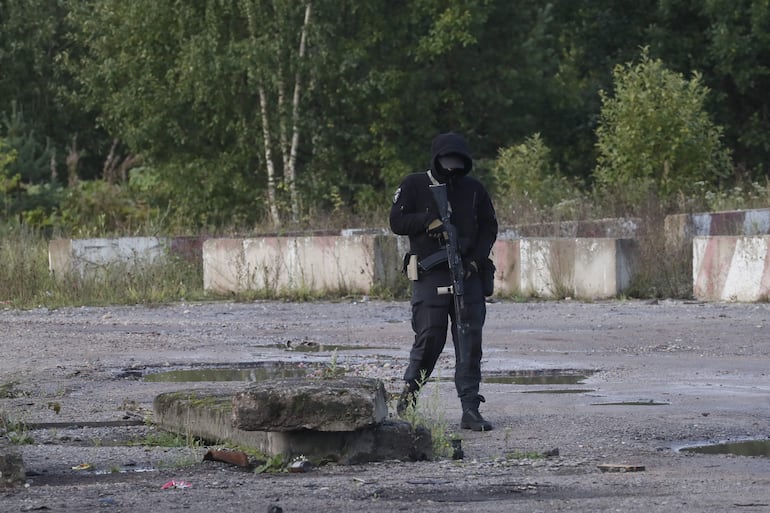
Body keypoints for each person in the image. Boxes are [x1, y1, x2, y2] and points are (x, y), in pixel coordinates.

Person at [389, 132, 498, 431]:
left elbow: (489, 226)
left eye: (458, 163)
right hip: (430, 273)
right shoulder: (414, 184)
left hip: (468, 273)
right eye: (447, 162)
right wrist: (428, 221)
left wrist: (476, 260)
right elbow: (397, 221)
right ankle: (408, 399)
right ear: (437, 160)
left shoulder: (474, 189)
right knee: (429, 338)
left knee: (469, 341)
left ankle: (470, 408)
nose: (452, 168)